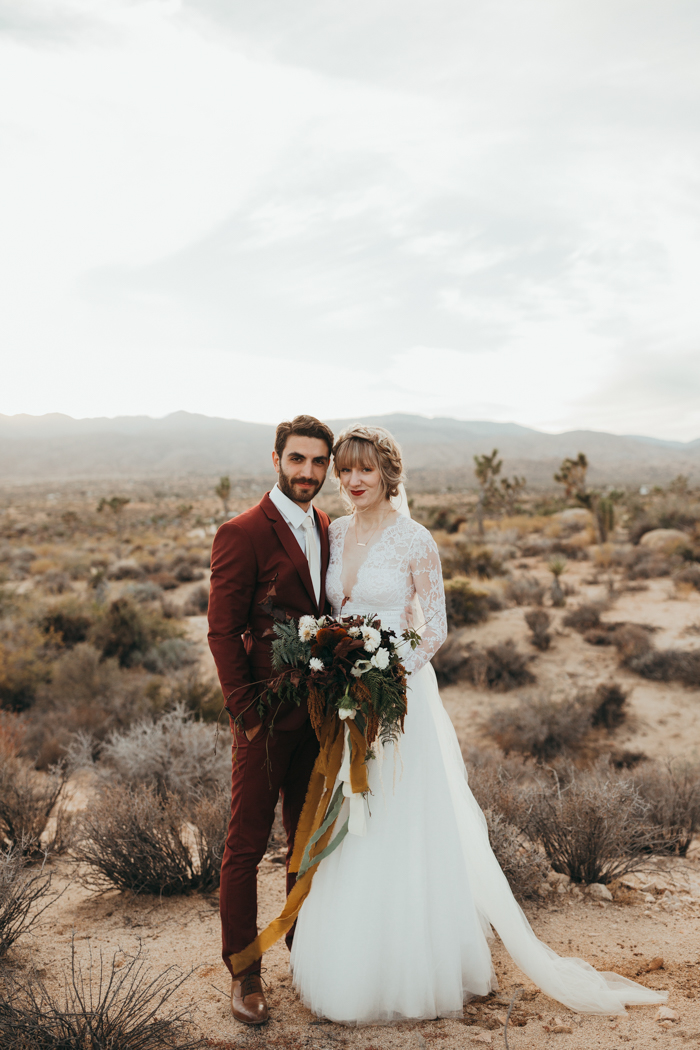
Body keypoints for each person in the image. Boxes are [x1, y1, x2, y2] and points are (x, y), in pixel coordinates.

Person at [287, 423, 667, 1024]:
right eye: (345, 471)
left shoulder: (417, 540)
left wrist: (383, 673)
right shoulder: (332, 536)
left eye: (365, 470)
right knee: (354, 820)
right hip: (346, 706)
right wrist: (341, 675)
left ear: (389, 473)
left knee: (400, 819)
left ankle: (413, 968)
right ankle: (351, 962)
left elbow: (433, 628)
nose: (352, 481)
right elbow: (333, 612)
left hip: (397, 698)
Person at [208, 414, 334, 1025]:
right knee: (246, 844)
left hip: (316, 719)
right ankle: (244, 971)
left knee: (306, 841)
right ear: (277, 459)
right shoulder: (243, 532)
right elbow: (222, 630)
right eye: (297, 460)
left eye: (317, 462)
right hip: (263, 720)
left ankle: (303, 951)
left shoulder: (327, 526)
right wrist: (247, 714)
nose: (307, 472)